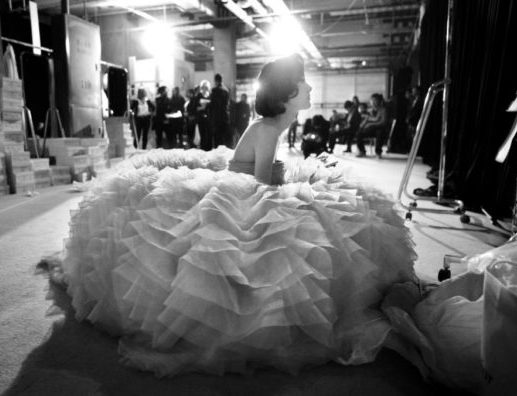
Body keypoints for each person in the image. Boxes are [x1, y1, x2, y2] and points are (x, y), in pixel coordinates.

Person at [55, 53, 416, 377]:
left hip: (242, 178)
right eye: (303, 83)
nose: (308, 88)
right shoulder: (270, 129)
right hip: (241, 186)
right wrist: (293, 190)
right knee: (285, 227)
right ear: (288, 93)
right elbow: (261, 183)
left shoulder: (274, 126)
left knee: (314, 211)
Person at [355, 93, 390, 158]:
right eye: (372, 100)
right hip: (372, 130)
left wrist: (371, 124)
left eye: (374, 100)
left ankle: (378, 152)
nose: (373, 102)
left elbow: (383, 122)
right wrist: (362, 126)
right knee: (359, 133)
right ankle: (362, 151)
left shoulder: (383, 110)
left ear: (379, 101)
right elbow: (367, 119)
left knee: (380, 132)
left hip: (381, 129)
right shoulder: (371, 110)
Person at [210, 73, 231, 149]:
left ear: (216, 81)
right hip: (225, 118)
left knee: (217, 141)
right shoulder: (226, 90)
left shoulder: (215, 91)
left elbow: (213, 105)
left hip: (217, 119)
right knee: (223, 140)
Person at [195, 80, 212, 151]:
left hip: (209, 119)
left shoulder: (210, 96)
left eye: (206, 87)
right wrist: (202, 107)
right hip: (201, 118)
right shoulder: (199, 95)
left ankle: (209, 150)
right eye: (203, 87)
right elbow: (195, 107)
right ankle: (203, 150)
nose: (205, 88)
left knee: (209, 136)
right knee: (203, 135)